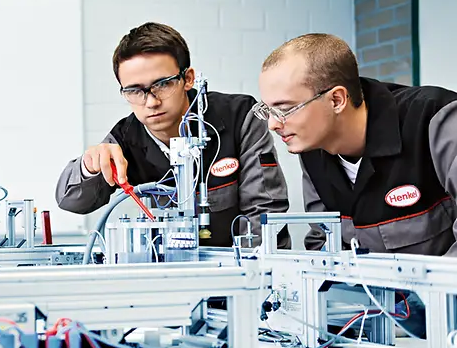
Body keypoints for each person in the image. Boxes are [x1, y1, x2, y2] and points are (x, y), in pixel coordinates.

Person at [55, 22, 291, 249]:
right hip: (168, 273)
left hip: (238, 271)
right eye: (135, 91)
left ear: (187, 79)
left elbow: (265, 213)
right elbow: (71, 200)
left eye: (163, 84)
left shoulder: (239, 117)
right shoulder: (125, 138)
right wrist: (89, 166)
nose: (151, 101)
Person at [255, 33, 457, 257]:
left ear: (336, 100)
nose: (272, 124)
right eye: (268, 110)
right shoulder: (313, 150)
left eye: (284, 109)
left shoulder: (436, 120)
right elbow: (323, 245)